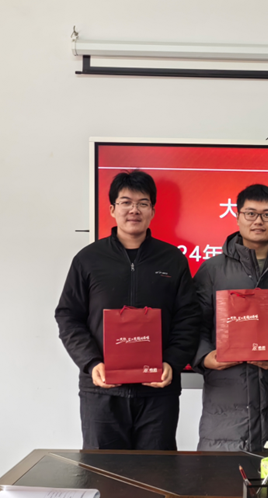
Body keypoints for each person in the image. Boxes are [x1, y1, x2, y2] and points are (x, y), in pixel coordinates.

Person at [55, 170, 201, 450]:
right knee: (104, 469)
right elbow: (68, 316)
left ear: (152, 211)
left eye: (143, 203)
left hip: (158, 392)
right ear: (112, 209)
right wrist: (91, 362)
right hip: (102, 391)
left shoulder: (173, 260)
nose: (134, 210)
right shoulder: (88, 259)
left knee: (156, 470)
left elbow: (188, 318)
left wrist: (171, 362)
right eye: (126, 202)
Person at [193, 184, 268, 451]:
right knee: (221, 477)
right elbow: (193, 324)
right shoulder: (212, 270)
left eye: (267, 214)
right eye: (251, 213)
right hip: (225, 409)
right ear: (237, 216)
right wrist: (205, 357)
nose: (258, 221)